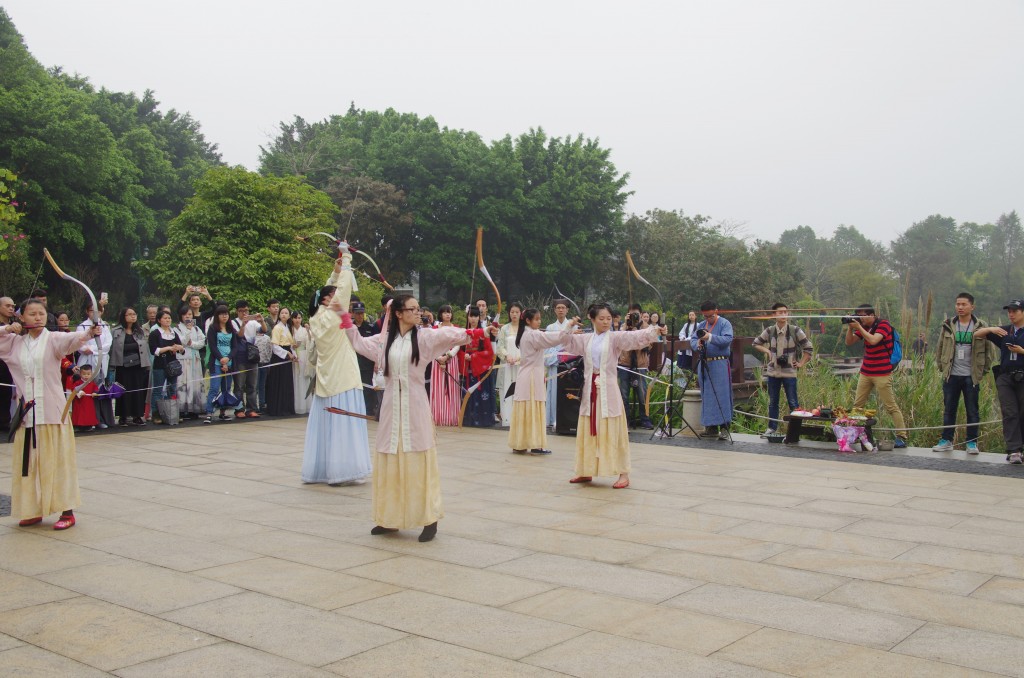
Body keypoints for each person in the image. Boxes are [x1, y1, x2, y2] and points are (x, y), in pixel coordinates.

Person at [345, 294, 488, 542]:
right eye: (412, 309)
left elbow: (452, 335)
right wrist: (342, 317)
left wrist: (479, 332)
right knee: (391, 460)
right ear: (398, 313)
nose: (417, 312)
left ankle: (428, 519)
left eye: (418, 308)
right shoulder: (383, 342)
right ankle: (389, 519)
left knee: (418, 462)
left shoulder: (424, 337)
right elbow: (357, 341)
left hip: (416, 407)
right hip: (391, 408)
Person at [1, 299, 100, 529]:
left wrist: (89, 333)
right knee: (30, 464)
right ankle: (32, 509)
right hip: (27, 414)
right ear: (21, 317)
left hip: (53, 412)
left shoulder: (53, 339)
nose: (37, 317)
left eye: (41, 313)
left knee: (58, 462)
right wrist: (7, 328)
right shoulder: (13, 342)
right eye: (32, 314)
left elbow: (73, 339)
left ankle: (67, 512)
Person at [560, 303, 664, 488]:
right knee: (589, 428)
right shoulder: (585, 339)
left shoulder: (615, 338)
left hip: (608, 389)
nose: (606, 322)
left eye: (608, 318)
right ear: (592, 319)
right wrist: (569, 326)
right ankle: (585, 470)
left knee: (613, 430)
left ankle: (623, 474)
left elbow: (635, 337)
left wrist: (655, 330)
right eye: (601, 319)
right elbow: (566, 341)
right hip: (590, 390)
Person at [302, 253, 372, 485]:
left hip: (328, 380)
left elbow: (332, 291)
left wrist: (336, 270)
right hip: (342, 377)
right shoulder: (330, 315)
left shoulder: (317, 318)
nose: (335, 298)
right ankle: (342, 471)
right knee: (343, 425)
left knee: (328, 427)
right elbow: (341, 293)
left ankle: (326, 470)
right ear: (324, 301)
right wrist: (348, 263)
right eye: (330, 296)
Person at [508, 308, 578, 454]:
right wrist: (569, 325)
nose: (539, 322)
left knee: (525, 408)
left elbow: (552, 337)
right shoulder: (533, 334)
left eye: (540, 319)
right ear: (528, 321)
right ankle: (535, 445)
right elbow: (554, 338)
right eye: (536, 319)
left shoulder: (525, 334)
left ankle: (519, 444)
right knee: (533, 408)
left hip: (526, 375)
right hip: (532, 376)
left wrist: (568, 329)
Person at [932, 293, 994, 454]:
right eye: (958, 304)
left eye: (964, 304)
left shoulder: (981, 326)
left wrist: (982, 371)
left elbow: (989, 351)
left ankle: (971, 443)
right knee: (949, 409)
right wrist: (942, 366)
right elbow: (939, 347)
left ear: (972, 306)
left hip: (971, 375)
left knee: (972, 410)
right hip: (951, 375)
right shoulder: (948, 324)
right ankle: (947, 440)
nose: (960, 307)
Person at [845, 304, 908, 448]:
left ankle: (902, 436)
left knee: (890, 406)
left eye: (862, 315)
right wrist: (850, 328)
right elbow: (849, 342)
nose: (860, 318)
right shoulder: (863, 327)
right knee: (857, 406)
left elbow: (873, 340)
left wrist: (859, 327)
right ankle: (852, 434)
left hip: (882, 372)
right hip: (866, 372)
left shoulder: (883, 325)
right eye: (858, 315)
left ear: (872, 315)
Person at [752, 303, 814, 436]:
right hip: (773, 371)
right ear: (774, 314)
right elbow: (756, 343)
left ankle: (794, 431)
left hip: (789, 372)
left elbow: (808, 348)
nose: (783, 315)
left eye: (785, 312)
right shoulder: (770, 330)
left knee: (793, 402)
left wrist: (801, 363)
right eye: (780, 312)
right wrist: (768, 351)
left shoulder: (795, 330)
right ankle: (772, 428)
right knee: (773, 401)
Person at [975, 299, 1024, 463]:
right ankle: (1014, 450)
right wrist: (991, 328)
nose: (1011, 314)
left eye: (1015, 311)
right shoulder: (1005, 331)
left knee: (1022, 413)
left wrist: (1021, 351)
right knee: (1010, 412)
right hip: (1005, 377)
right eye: (1009, 311)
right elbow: (977, 334)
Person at [689, 301, 734, 440]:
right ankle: (711, 427)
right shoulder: (702, 325)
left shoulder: (725, 324)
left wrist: (710, 337)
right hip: (704, 362)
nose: (708, 319)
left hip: (719, 362)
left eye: (710, 316)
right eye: (705, 316)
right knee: (707, 395)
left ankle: (725, 427)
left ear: (716, 311)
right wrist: (697, 344)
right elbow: (693, 339)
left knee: (722, 395)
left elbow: (727, 339)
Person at [110, 306, 151, 427]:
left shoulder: (139, 331)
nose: (133, 316)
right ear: (123, 316)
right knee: (123, 390)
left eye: (134, 314)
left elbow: (144, 348)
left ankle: (137, 415)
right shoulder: (116, 331)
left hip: (137, 365)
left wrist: (146, 364)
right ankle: (123, 416)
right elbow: (113, 348)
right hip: (123, 366)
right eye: (129, 314)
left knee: (137, 390)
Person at [617, 307, 654, 430]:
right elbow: (619, 341)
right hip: (624, 364)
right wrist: (627, 327)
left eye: (636, 314)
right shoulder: (624, 326)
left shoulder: (647, 328)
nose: (634, 317)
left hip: (640, 364)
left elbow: (649, 345)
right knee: (624, 394)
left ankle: (645, 419)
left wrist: (637, 332)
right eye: (631, 314)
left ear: (641, 314)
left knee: (642, 393)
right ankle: (624, 420)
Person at [461, 308, 496, 427]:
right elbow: (457, 349)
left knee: (481, 394)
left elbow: (489, 352)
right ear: (467, 317)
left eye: (476, 316)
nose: (473, 319)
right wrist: (463, 356)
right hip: (468, 368)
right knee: (467, 394)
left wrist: (474, 356)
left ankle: (482, 420)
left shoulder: (483, 333)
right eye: (471, 316)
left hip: (479, 368)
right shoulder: (463, 332)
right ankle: (467, 419)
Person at [230, 300, 266, 418]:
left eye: (246, 310)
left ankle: (251, 408)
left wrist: (261, 320)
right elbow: (239, 336)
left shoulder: (253, 323)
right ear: (237, 311)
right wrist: (243, 325)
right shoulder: (233, 322)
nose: (244, 313)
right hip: (240, 356)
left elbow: (264, 331)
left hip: (252, 356)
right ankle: (239, 408)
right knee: (239, 384)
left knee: (252, 384)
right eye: (241, 311)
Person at [205, 305, 239, 423]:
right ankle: (209, 412)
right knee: (214, 388)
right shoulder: (212, 328)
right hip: (216, 362)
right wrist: (221, 359)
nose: (224, 316)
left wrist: (228, 358)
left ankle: (223, 412)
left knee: (227, 387)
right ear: (217, 315)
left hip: (229, 363)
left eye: (226, 314)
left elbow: (235, 347)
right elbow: (212, 346)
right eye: (222, 314)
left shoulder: (231, 329)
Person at [149, 309, 184, 425]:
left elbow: (181, 349)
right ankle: (156, 414)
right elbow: (154, 350)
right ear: (159, 320)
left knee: (172, 389)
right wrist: (169, 348)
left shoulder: (174, 332)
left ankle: (173, 413)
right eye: (165, 318)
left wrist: (179, 347)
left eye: (169, 318)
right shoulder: (155, 333)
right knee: (158, 390)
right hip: (160, 365)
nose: (167, 320)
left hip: (172, 365)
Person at [430, 305, 462, 426]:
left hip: (451, 360)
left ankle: (452, 417)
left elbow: (458, 344)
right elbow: (432, 344)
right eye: (445, 313)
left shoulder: (456, 328)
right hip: (437, 360)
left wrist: (448, 355)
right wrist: (439, 358)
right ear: (440, 315)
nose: (447, 315)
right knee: (438, 388)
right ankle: (438, 416)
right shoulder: (434, 328)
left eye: (449, 312)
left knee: (451, 388)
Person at [544, 299, 573, 430]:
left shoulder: (574, 327)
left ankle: (567, 419)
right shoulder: (550, 328)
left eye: (563, 307)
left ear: (567, 310)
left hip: (568, 367)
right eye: (558, 307)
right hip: (554, 365)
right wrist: (559, 356)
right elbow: (548, 348)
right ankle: (552, 419)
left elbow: (573, 347)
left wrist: (564, 355)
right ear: (554, 310)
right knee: (553, 392)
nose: (561, 310)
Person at [176, 307, 207, 420]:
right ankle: (182, 409)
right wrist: (188, 331)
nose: (188, 317)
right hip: (183, 359)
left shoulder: (197, 328)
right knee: (184, 383)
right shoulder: (177, 328)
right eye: (185, 315)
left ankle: (195, 408)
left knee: (195, 383)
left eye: (190, 314)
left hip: (195, 358)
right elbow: (182, 342)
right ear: (181, 316)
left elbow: (202, 342)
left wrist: (191, 343)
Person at [266, 307, 297, 416]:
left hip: (287, 355)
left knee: (286, 383)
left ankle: (286, 408)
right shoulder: (277, 328)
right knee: (278, 383)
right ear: (279, 315)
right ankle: (277, 409)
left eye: (286, 313)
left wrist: (294, 355)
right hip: (279, 356)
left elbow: (291, 345)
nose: (284, 314)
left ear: (289, 316)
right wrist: (287, 353)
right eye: (282, 313)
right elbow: (274, 345)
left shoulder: (287, 327)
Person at [496, 302, 523, 426]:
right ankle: (507, 418)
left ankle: (520, 419)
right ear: (509, 313)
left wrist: (519, 358)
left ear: (521, 313)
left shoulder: (525, 328)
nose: (514, 314)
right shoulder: (504, 328)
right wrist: (507, 356)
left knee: (520, 389)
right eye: (512, 312)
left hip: (521, 364)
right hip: (507, 364)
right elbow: (500, 346)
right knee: (506, 388)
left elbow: (528, 346)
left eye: (517, 312)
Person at [350, 298, 378, 418]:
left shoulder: (370, 327)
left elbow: (375, 345)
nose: (360, 316)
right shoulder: (350, 327)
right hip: (353, 361)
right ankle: (355, 407)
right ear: (353, 314)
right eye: (357, 313)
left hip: (367, 362)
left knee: (367, 386)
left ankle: (368, 409)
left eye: (362, 313)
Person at [67, 363, 100, 432]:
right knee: (79, 413)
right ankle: (78, 426)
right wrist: (80, 392)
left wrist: (94, 392)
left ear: (91, 374)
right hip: (80, 401)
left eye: (88, 374)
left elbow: (96, 388)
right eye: (84, 374)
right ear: (80, 374)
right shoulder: (78, 382)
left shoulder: (92, 382)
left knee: (89, 413)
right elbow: (74, 388)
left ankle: (88, 425)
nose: (86, 376)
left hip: (89, 401)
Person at [291, 311, 312, 415]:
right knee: (296, 379)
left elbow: (310, 341)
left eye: (299, 318)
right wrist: (293, 347)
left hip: (304, 355)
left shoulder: (304, 330)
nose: (297, 320)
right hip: (294, 355)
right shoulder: (290, 330)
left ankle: (306, 405)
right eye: (295, 318)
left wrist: (308, 331)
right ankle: (297, 406)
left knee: (305, 379)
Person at [0, 295, 15, 431]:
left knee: (6, 394)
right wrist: (8, 329)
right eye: (7, 306)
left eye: (13, 306)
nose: (11, 309)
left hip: (8, 364)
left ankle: (4, 421)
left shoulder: (13, 324)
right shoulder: (7, 327)